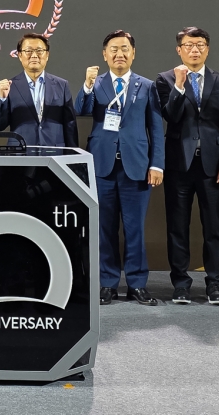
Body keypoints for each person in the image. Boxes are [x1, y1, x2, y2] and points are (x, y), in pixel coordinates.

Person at [76, 30, 165, 306]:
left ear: (133, 53)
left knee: (135, 229)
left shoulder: (146, 86)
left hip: (136, 166)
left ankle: (137, 284)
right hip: (102, 167)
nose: (119, 54)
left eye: (125, 48)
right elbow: (81, 109)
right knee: (105, 229)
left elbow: (156, 129)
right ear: (105, 55)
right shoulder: (96, 83)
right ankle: (108, 283)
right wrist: (87, 85)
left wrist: (157, 164)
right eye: (113, 49)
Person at [155, 27, 219, 305]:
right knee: (177, 227)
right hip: (179, 164)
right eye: (189, 45)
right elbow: (170, 115)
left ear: (207, 49)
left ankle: (215, 284)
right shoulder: (166, 79)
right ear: (179, 50)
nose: (195, 49)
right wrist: (179, 86)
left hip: (214, 166)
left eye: (200, 44)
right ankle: (181, 284)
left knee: (214, 228)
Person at [0, 33, 78, 148]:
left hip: (54, 152)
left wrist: (73, 153)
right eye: (28, 51)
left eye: (39, 51)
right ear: (20, 55)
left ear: (47, 55)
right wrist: (2, 98)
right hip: (21, 152)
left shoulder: (62, 85)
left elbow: (70, 125)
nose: (34, 55)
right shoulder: (10, 86)